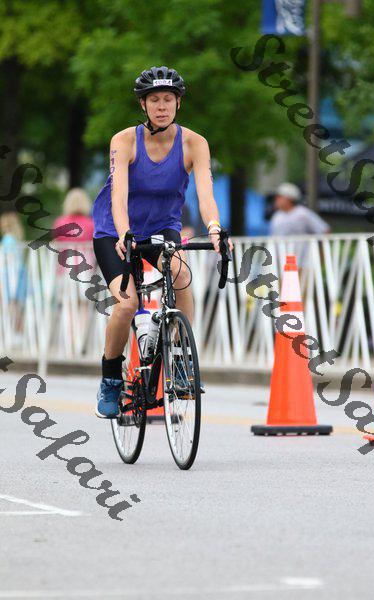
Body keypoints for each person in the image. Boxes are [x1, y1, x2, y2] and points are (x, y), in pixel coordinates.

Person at [92, 66, 233, 418]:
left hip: (162, 227)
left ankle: (180, 360)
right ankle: (110, 378)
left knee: (181, 275)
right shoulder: (124, 141)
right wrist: (124, 232)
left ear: (178, 103)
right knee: (127, 304)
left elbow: (205, 194)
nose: (161, 106)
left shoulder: (194, 143)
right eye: (154, 99)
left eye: (168, 99)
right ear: (143, 105)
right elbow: (118, 195)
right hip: (115, 230)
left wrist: (215, 229)